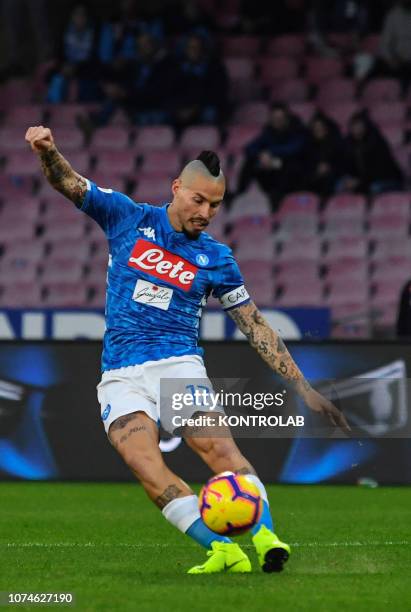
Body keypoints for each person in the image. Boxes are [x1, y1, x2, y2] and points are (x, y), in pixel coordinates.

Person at [25, 125, 350, 575]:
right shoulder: (127, 217)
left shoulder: (217, 259)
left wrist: (303, 386)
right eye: (198, 200)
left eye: (215, 204)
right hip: (120, 373)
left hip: (177, 364)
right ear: (176, 189)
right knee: (143, 464)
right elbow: (70, 183)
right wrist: (48, 151)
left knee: (217, 450)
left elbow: (254, 325)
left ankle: (267, 537)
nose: (206, 212)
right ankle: (221, 549)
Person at [237, 103, 308, 209]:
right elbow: (249, 148)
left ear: (287, 119)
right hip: (273, 165)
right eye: (274, 118)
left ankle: (278, 201)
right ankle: (239, 196)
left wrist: (270, 152)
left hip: (295, 171)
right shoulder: (268, 131)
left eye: (280, 118)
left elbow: (294, 149)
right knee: (250, 162)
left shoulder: (298, 130)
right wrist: (260, 155)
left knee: (289, 165)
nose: (277, 121)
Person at [339, 112, 403, 195]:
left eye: (359, 125)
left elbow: (380, 170)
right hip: (365, 181)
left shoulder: (376, 141)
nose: (356, 128)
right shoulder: (348, 143)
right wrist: (348, 180)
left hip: (387, 179)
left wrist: (359, 181)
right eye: (353, 125)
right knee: (341, 186)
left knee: (374, 188)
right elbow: (347, 166)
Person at [305, 112, 344, 197]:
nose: (318, 130)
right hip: (314, 181)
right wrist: (317, 172)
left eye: (320, 127)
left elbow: (343, 165)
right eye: (315, 128)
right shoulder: (308, 147)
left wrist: (329, 168)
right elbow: (305, 167)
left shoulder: (336, 145)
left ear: (326, 128)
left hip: (335, 179)